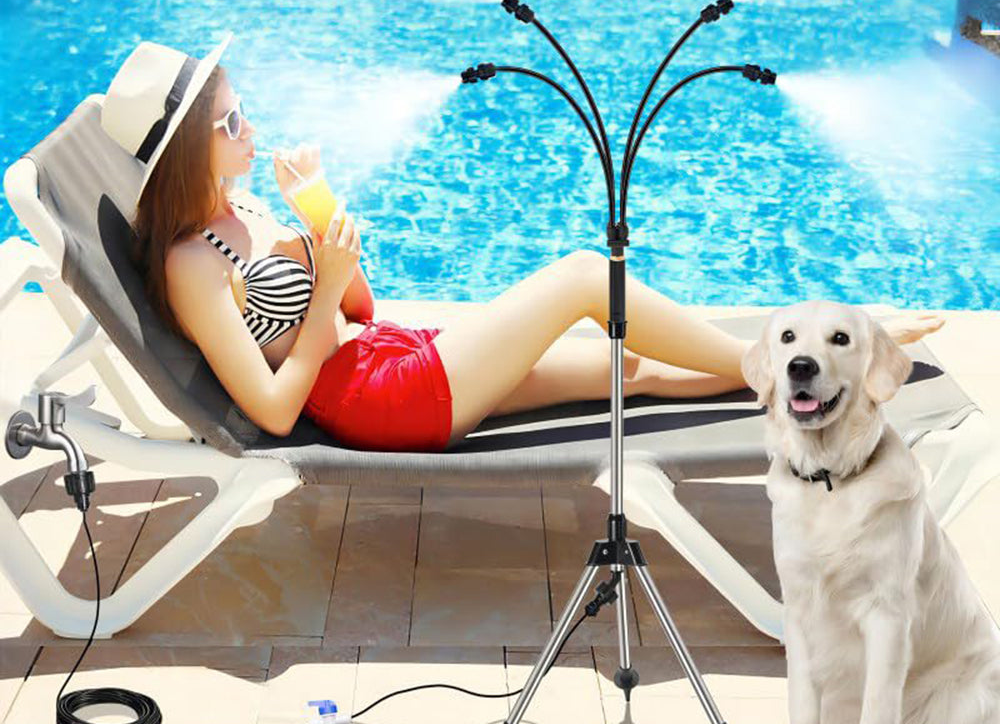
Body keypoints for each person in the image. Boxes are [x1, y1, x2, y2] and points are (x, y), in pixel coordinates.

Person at [100, 35, 945, 453]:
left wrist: (320, 219)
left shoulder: (246, 204)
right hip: (379, 400)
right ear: (184, 150)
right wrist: (324, 291)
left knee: (633, 371)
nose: (249, 129)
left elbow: (362, 306)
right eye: (230, 123)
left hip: (393, 355)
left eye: (242, 112)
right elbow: (276, 410)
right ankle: (802, 359)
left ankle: (806, 376)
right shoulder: (192, 264)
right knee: (583, 277)